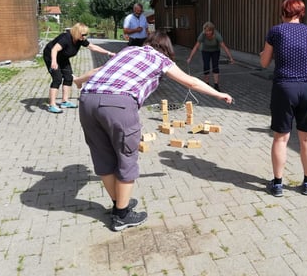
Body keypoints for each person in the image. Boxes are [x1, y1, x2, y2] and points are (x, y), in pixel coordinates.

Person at [74, 30, 233, 232]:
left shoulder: (128, 50)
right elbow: (190, 82)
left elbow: (97, 71)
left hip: (87, 100)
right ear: (167, 48)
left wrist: (78, 80)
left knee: (103, 157)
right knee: (126, 157)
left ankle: (119, 204)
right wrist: (218, 94)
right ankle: (121, 215)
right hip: (118, 103)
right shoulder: (160, 59)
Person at [260, 0, 307, 197]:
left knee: (281, 137)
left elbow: (264, 63)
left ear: (283, 12)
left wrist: (263, 54)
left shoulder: (276, 31)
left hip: (285, 88)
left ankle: (277, 184)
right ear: (301, 13)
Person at [43, 23, 115, 114]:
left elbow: (92, 47)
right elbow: (54, 49)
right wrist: (54, 62)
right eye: (83, 34)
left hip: (63, 57)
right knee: (57, 79)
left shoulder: (80, 39)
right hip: (51, 56)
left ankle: (64, 101)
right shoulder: (66, 38)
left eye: (86, 34)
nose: (85, 37)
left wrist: (109, 53)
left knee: (68, 77)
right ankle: (52, 105)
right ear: (77, 32)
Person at [186, 21, 234, 91]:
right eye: (206, 31)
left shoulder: (217, 35)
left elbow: (224, 47)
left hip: (215, 51)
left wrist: (231, 58)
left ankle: (216, 85)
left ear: (212, 30)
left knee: (215, 66)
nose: (207, 32)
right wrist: (190, 58)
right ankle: (207, 84)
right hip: (205, 51)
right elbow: (196, 46)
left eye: (209, 31)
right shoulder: (202, 35)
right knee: (206, 66)